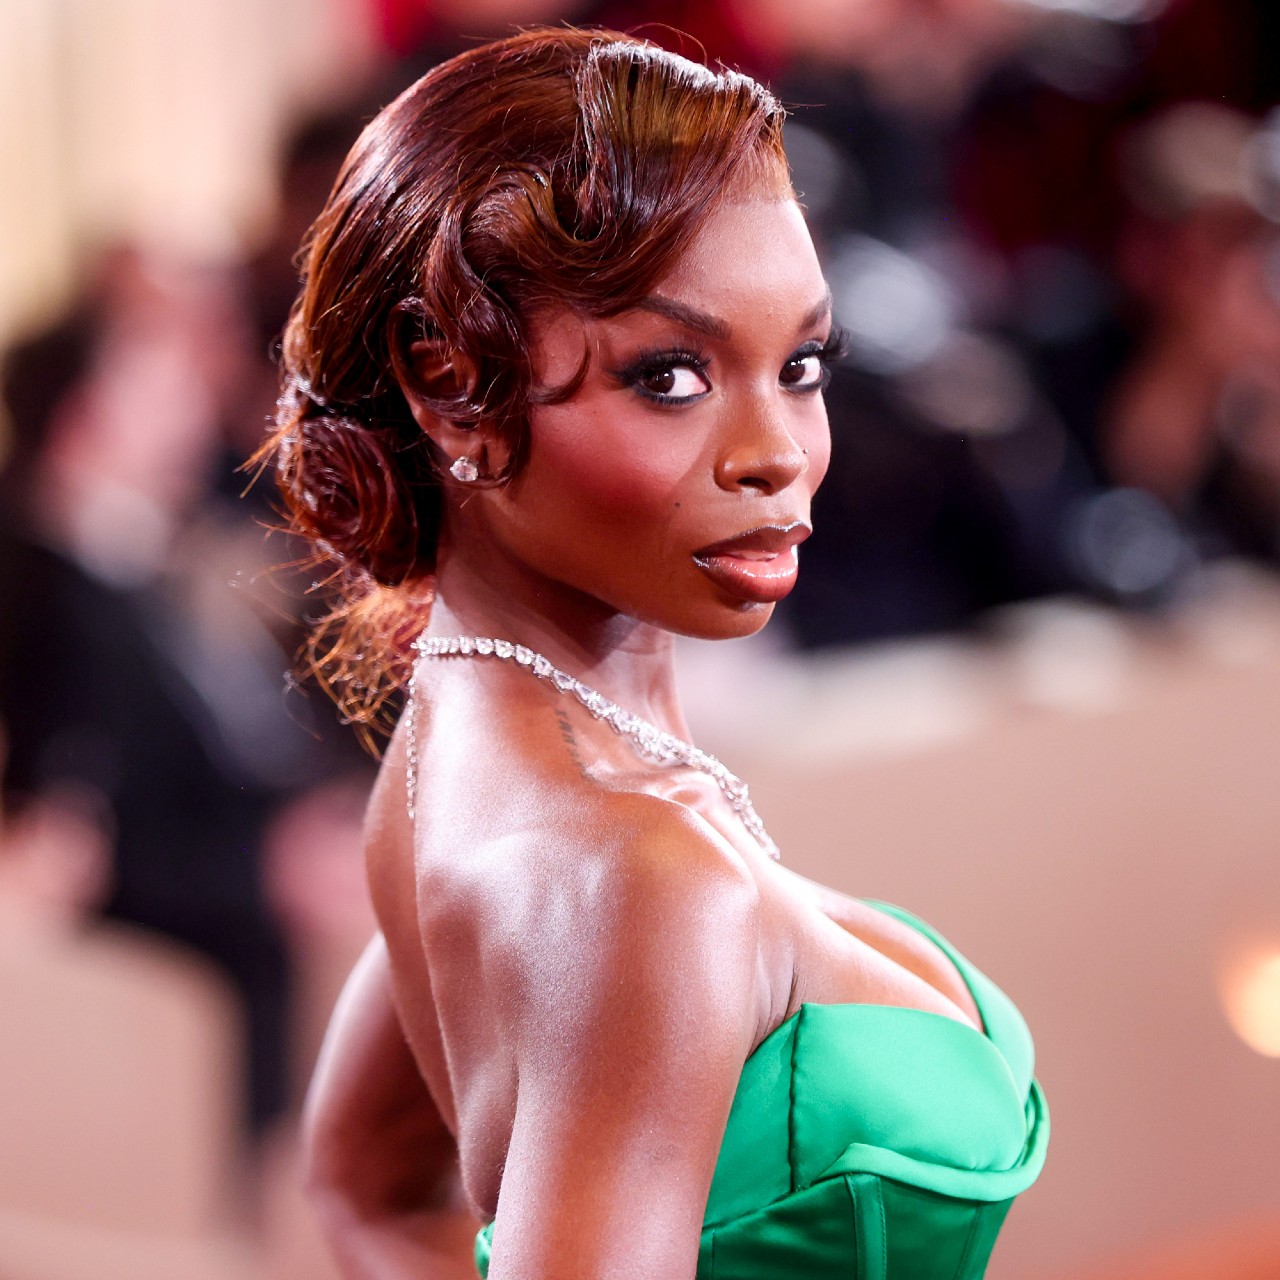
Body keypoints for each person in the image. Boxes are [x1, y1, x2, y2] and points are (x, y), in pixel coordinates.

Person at [256, 28, 1048, 1279]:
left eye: (798, 365)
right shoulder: (633, 876)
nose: (776, 451)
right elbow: (364, 1189)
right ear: (445, 376)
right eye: (670, 376)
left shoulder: (443, 760)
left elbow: (365, 1192)